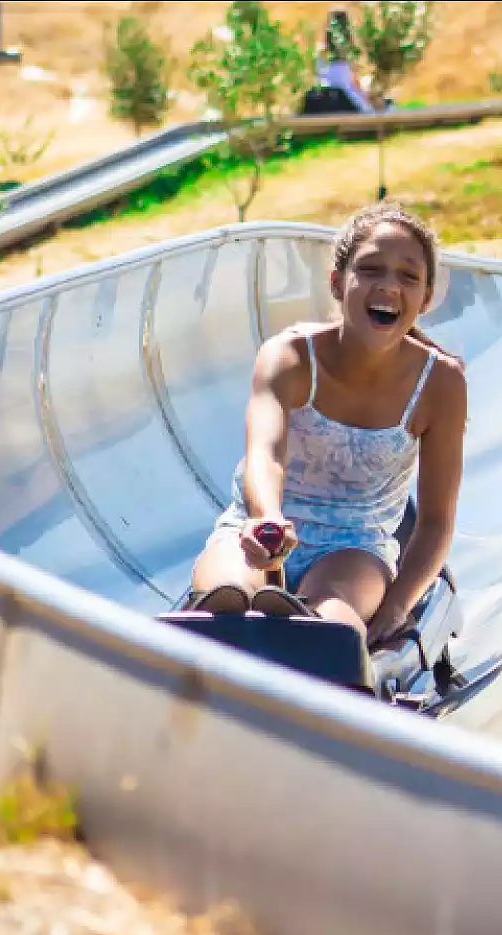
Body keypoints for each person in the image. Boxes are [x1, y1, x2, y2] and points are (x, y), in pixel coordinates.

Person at [189, 202, 468, 650]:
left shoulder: (441, 383)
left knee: (330, 614)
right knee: (229, 598)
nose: (389, 287)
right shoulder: (291, 357)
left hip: (354, 548)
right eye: (371, 270)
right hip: (263, 526)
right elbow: (266, 453)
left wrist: (398, 606)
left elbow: (435, 522)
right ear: (338, 283)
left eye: (408, 276)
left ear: (426, 296)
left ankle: (317, 650)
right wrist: (268, 517)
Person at [315, 7, 375, 113]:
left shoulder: (320, 53)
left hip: (325, 100)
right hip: (348, 101)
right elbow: (355, 83)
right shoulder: (351, 52)